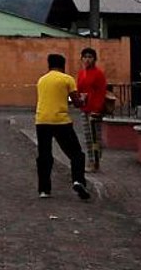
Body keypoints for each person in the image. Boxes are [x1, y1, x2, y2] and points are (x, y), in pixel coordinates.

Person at [34, 53, 91, 201]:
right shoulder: (67, 79)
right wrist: (84, 99)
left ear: (49, 65)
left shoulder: (42, 80)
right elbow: (76, 101)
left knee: (44, 156)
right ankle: (78, 181)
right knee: (76, 154)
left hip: (41, 120)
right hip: (61, 121)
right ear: (63, 65)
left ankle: (44, 189)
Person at [76, 47, 108, 171]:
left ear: (94, 59)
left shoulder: (98, 74)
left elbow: (101, 92)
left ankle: (96, 162)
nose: (87, 59)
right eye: (85, 57)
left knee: (95, 137)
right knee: (87, 137)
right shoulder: (81, 73)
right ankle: (91, 161)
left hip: (94, 110)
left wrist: (97, 109)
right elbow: (79, 90)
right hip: (84, 108)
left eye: (90, 57)